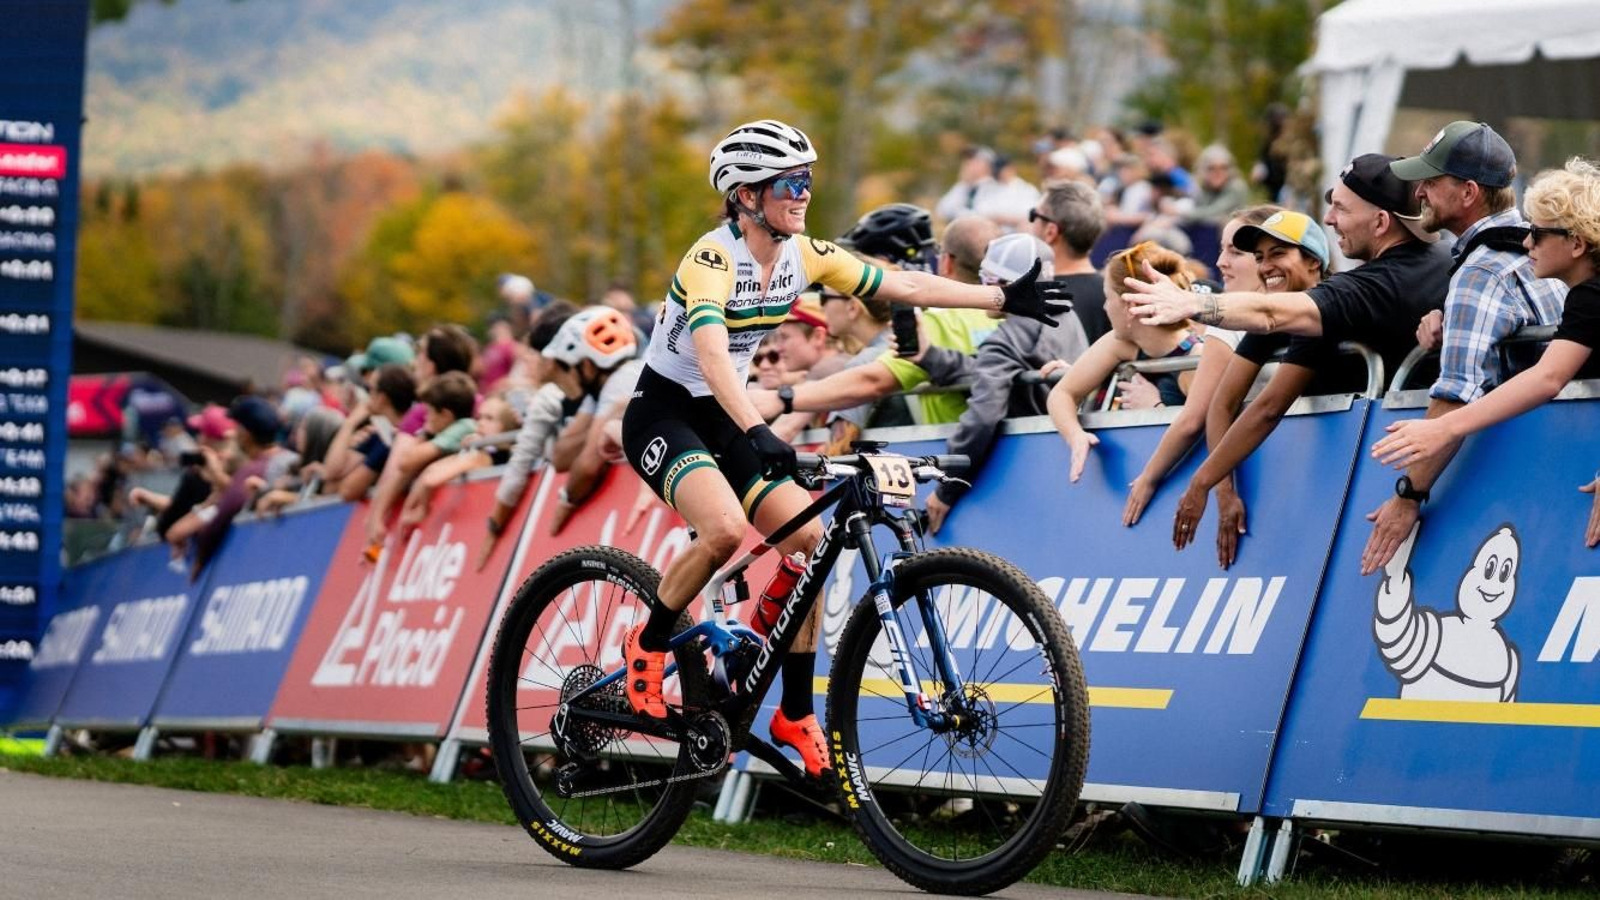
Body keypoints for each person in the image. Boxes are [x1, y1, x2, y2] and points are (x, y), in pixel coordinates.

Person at [619, 119, 1070, 780]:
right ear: (746, 197)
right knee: (721, 530)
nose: (803, 193)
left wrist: (1001, 296)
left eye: (807, 180)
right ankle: (649, 643)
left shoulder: (806, 255)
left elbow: (905, 287)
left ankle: (793, 710)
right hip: (666, 414)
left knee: (807, 548)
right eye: (788, 184)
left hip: (727, 414)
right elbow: (712, 355)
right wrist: (756, 429)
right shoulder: (712, 258)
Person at [1361, 122, 1568, 576]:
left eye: (1431, 182)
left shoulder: (1482, 271)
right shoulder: (1532, 243)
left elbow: (1455, 396)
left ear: (1469, 192)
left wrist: (1408, 495)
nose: (1418, 193)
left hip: (1532, 479)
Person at [1153, 212, 1328, 564]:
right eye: (1260, 257)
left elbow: (1267, 409)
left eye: (1278, 254)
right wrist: (1224, 490)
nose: (1266, 267)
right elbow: (1222, 403)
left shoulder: (1326, 305)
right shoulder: (1270, 319)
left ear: (1313, 260)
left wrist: (1200, 484)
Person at [909, 233, 1090, 533]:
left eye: (989, 278)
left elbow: (982, 417)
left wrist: (946, 488)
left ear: (1009, 286)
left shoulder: (1006, 339)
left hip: (1020, 479)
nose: (984, 288)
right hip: (1073, 473)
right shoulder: (1067, 317)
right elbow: (993, 372)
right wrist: (930, 357)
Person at [1121, 205, 1277, 530]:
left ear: (1268, 257)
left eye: (1235, 252)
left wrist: (1148, 478)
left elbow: (1195, 418)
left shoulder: (1229, 320)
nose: (1221, 262)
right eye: (1222, 250)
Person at [1046, 242, 1204, 484]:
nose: (1104, 307)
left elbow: (1209, 440)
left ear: (1130, 307)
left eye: (1108, 298)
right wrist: (1076, 436)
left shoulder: (1194, 359)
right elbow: (1063, 394)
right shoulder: (1123, 343)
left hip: (1179, 482)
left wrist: (1155, 409)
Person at [1030, 180, 1112, 343]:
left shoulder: (1033, 297)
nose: (1031, 223)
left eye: (1034, 215)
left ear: (1051, 231)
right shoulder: (1113, 295)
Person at [934, 145, 1000, 222]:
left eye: (975, 161)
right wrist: (963, 183)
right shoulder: (963, 186)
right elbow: (942, 210)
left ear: (988, 165)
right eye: (968, 161)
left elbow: (984, 215)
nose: (968, 164)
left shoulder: (996, 187)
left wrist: (958, 213)